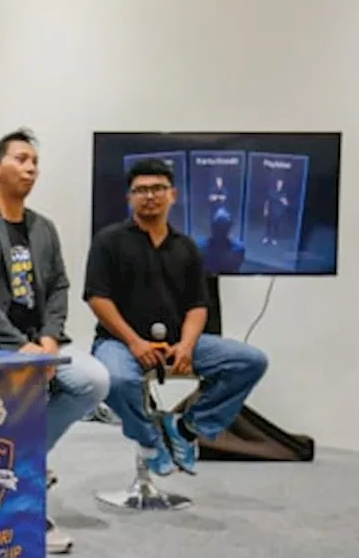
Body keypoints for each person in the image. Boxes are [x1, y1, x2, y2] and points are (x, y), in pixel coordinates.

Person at [0, 129, 110, 555]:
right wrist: (20, 348)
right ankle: (23, 497)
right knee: (15, 395)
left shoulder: (43, 228)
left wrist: (49, 340)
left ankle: (23, 461)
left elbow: (59, 287)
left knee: (93, 381)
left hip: (38, 344)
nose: (31, 167)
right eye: (21, 159)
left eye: (35, 161)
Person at [84, 158, 267, 476]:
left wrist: (186, 345)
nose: (150, 196)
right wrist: (135, 342)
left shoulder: (188, 248)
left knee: (249, 361)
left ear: (173, 195)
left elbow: (198, 305)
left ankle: (186, 428)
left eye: (158, 188)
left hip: (176, 343)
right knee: (116, 379)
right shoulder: (108, 241)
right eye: (141, 190)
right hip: (120, 342)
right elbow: (97, 298)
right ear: (129, 197)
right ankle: (149, 438)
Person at [263, 177, 289, 245]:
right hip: (270, 210)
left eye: (281, 183)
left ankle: (274, 238)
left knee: (276, 226)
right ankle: (266, 237)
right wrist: (265, 209)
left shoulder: (284, 193)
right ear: (276, 184)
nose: (280, 185)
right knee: (268, 225)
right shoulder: (271, 191)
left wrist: (284, 202)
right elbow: (268, 199)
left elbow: (286, 203)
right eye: (279, 183)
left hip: (278, 212)